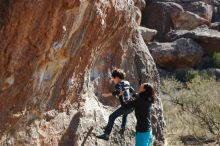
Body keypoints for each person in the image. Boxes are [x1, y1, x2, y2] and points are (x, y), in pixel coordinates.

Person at [97, 69, 135, 141]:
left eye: (113, 78)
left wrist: (107, 95)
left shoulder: (118, 85)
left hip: (126, 105)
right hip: (132, 106)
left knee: (112, 117)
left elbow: (117, 92)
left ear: (117, 77)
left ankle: (106, 134)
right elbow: (132, 90)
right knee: (125, 113)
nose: (113, 80)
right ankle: (123, 127)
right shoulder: (126, 82)